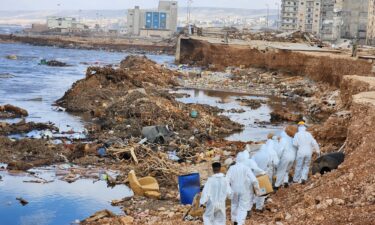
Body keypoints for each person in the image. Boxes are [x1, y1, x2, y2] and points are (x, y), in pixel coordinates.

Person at [227, 152, 260, 225]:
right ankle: (240, 222)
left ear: (237, 159)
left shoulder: (231, 168)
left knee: (234, 205)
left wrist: (228, 191)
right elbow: (254, 180)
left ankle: (234, 220)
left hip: (234, 190)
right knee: (243, 207)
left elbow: (226, 181)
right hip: (244, 190)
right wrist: (257, 190)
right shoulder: (246, 168)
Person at [252, 133, 280, 211]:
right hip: (264, 175)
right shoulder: (268, 155)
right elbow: (273, 163)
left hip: (256, 174)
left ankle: (254, 202)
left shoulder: (255, 154)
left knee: (255, 189)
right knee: (262, 190)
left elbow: (252, 165)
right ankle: (259, 207)